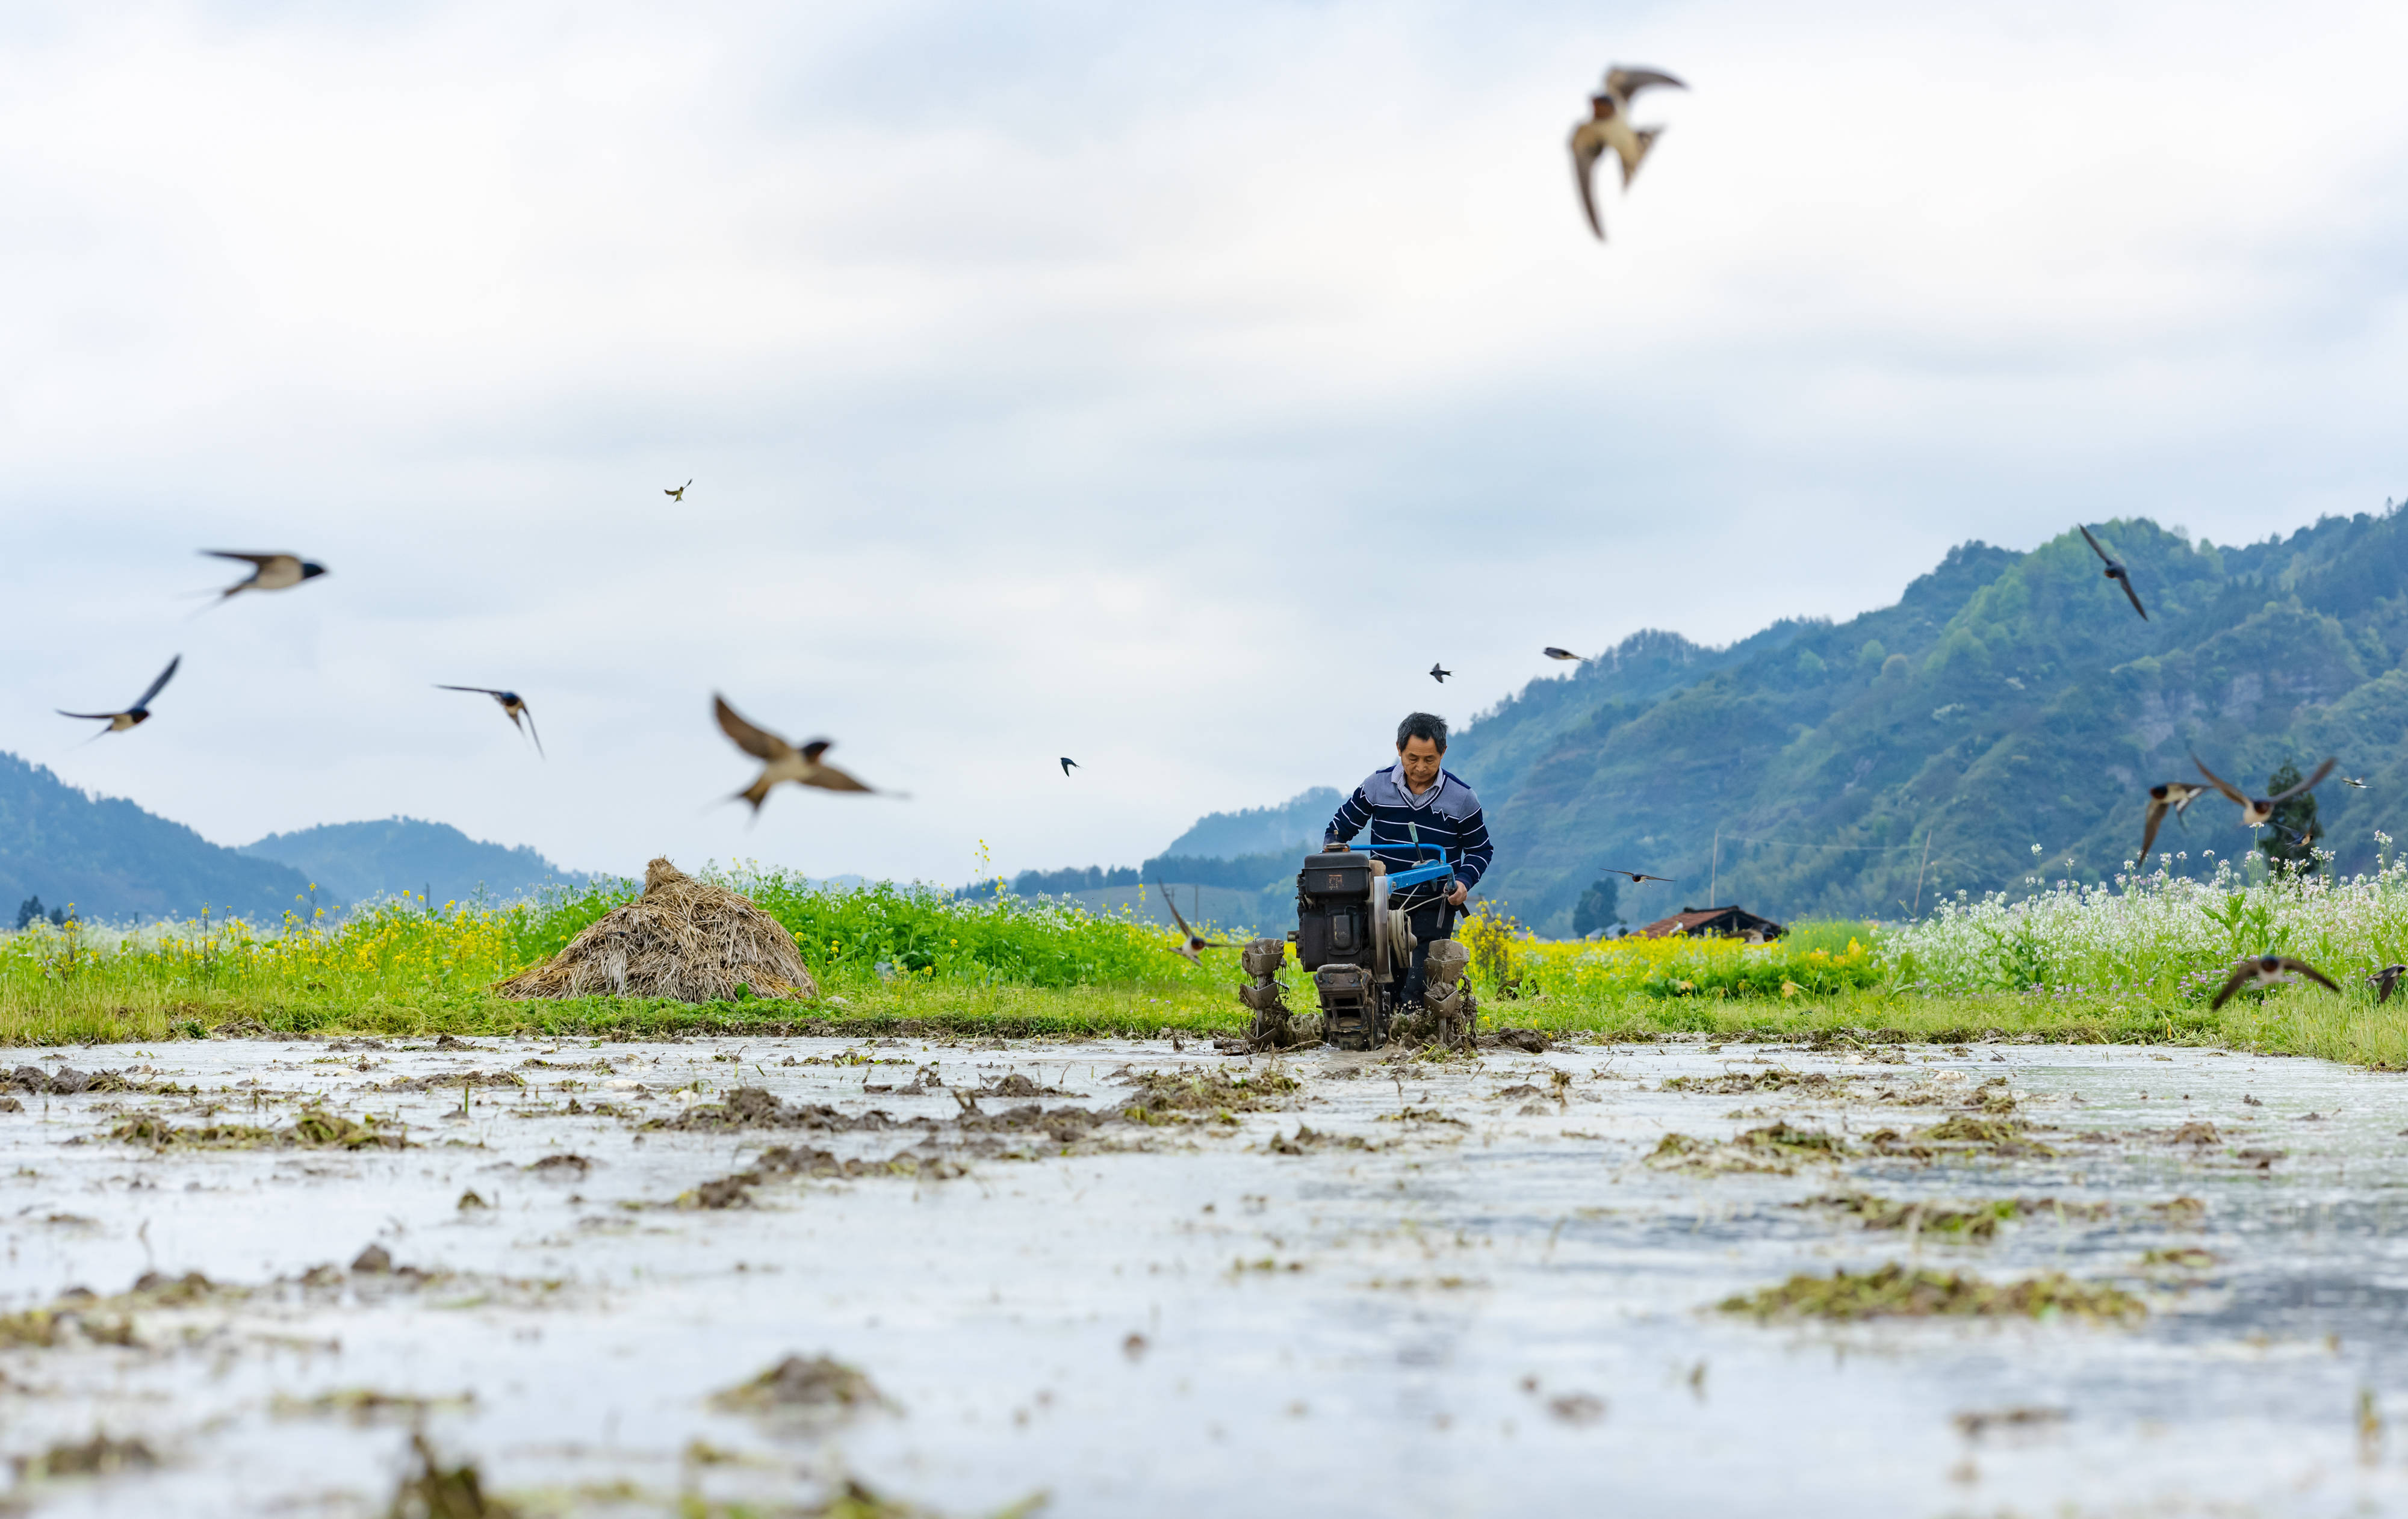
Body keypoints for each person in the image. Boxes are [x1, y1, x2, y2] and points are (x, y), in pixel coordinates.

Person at [1323, 712, 1494, 1010]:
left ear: (1443, 753)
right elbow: (1337, 832)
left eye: (1430, 760)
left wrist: (1464, 882)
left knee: (1416, 995)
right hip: (1381, 903)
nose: (1420, 768)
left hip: (1434, 904)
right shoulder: (1376, 787)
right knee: (1382, 990)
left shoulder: (1462, 798)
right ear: (1399, 749)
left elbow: (1481, 850)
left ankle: (1417, 1048)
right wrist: (1336, 853)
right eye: (1412, 758)